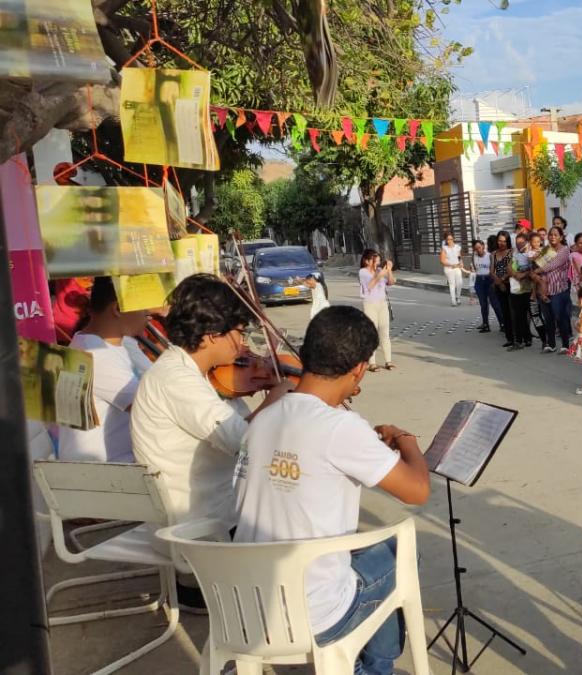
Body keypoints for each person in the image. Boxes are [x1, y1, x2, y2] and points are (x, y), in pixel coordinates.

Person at [233, 305, 431, 675]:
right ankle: (373, 669)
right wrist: (407, 440)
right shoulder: (341, 427)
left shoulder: (265, 417)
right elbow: (417, 490)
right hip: (312, 612)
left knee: (373, 552)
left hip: (244, 601)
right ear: (358, 368)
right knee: (404, 553)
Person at [132, 275, 291, 612]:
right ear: (210, 335)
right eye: (239, 332)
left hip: (211, 515)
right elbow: (240, 440)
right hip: (202, 537)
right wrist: (275, 399)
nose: (243, 344)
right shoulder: (176, 380)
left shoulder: (188, 371)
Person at [58, 277, 150, 463]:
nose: (148, 314)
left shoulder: (105, 344)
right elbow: (155, 408)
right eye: (143, 307)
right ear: (117, 308)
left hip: (119, 463)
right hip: (105, 471)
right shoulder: (94, 355)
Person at [532, 226, 574, 354]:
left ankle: (566, 345)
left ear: (561, 237)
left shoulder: (565, 250)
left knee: (560, 317)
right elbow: (537, 263)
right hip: (545, 289)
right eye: (551, 235)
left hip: (559, 289)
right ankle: (551, 344)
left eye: (556, 235)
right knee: (548, 318)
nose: (552, 237)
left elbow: (552, 265)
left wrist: (537, 270)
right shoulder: (545, 250)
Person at [358, 249, 395, 371]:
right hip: (370, 304)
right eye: (375, 260)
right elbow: (370, 285)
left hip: (382, 304)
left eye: (378, 260)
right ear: (367, 261)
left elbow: (391, 282)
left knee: (385, 332)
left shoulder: (380, 270)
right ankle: (372, 362)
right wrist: (380, 274)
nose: (377, 263)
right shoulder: (363, 272)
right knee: (372, 333)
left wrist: (389, 270)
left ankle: (388, 361)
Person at [507, 232, 535, 351]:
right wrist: (516, 274)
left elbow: (532, 270)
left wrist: (522, 275)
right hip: (515, 290)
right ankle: (519, 340)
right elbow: (508, 268)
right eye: (517, 243)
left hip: (528, 290)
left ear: (527, 242)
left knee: (534, 316)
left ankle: (543, 340)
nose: (519, 245)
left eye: (522, 242)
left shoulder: (530, 255)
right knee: (518, 317)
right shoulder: (514, 254)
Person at [470, 239, 501, 333]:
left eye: (479, 247)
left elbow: (493, 269)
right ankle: (485, 324)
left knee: (495, 303)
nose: (478, 250)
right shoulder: (473, 256)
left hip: (489, 279)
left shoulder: (490, 256)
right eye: (476, 249)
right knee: (483, 304)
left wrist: (494, 282)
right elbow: (475, 269)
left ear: (483, 246)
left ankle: (502, 323)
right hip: (479, 280)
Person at [491, 231, 516, 347]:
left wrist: (503, 280)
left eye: (504, 241)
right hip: (498, 286)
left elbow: (512, 268)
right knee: (504, 312)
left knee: (513, 311)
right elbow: (492, 271)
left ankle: (518, 336)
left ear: (508, 242)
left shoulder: (512, 252)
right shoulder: (493, 254)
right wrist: (498, 282)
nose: (502, 243)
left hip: (510, 284)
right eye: (500, 241)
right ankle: (509, 338)